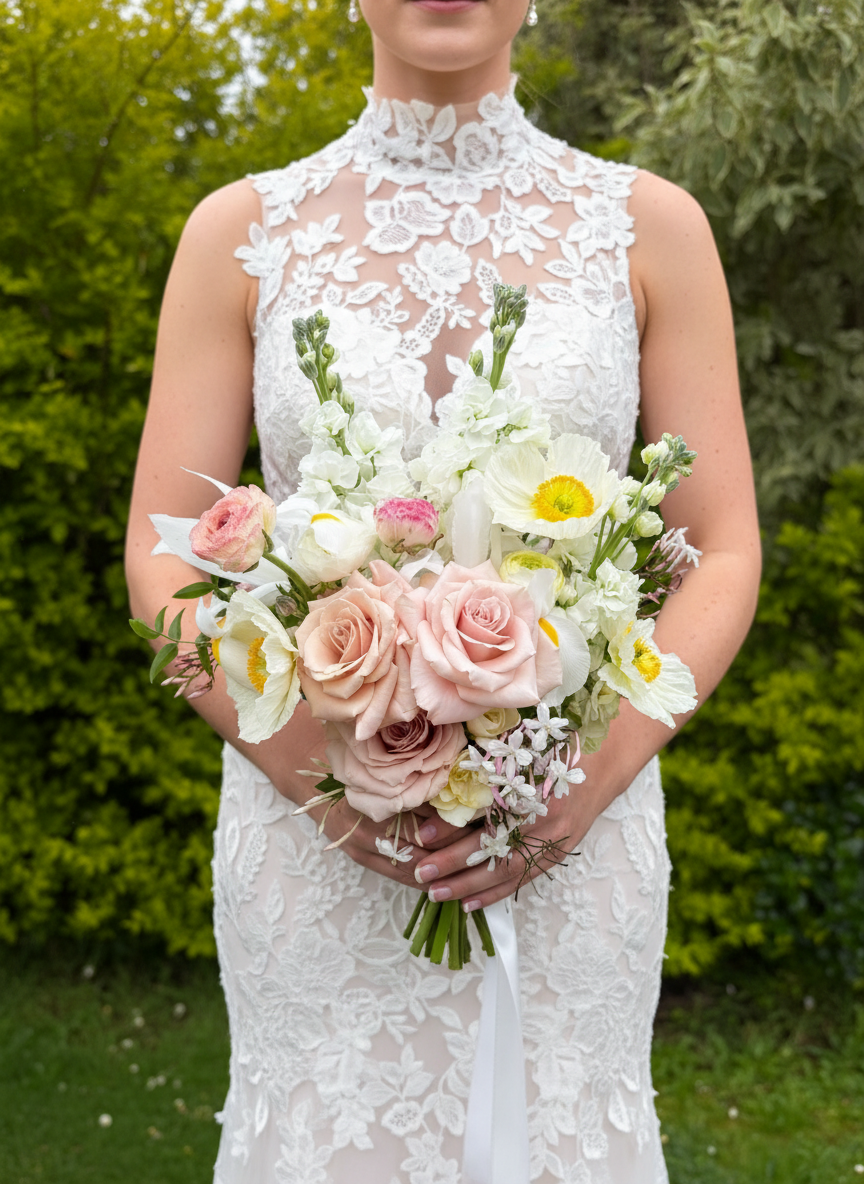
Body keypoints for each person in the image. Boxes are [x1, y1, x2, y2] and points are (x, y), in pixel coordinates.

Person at [125, 0, 761, 1179]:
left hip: (575, 843)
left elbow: (722, 547)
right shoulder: (242, 232)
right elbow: (160, 562)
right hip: (310, 855)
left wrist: (580, 786)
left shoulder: (648, 227)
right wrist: (325, 785)